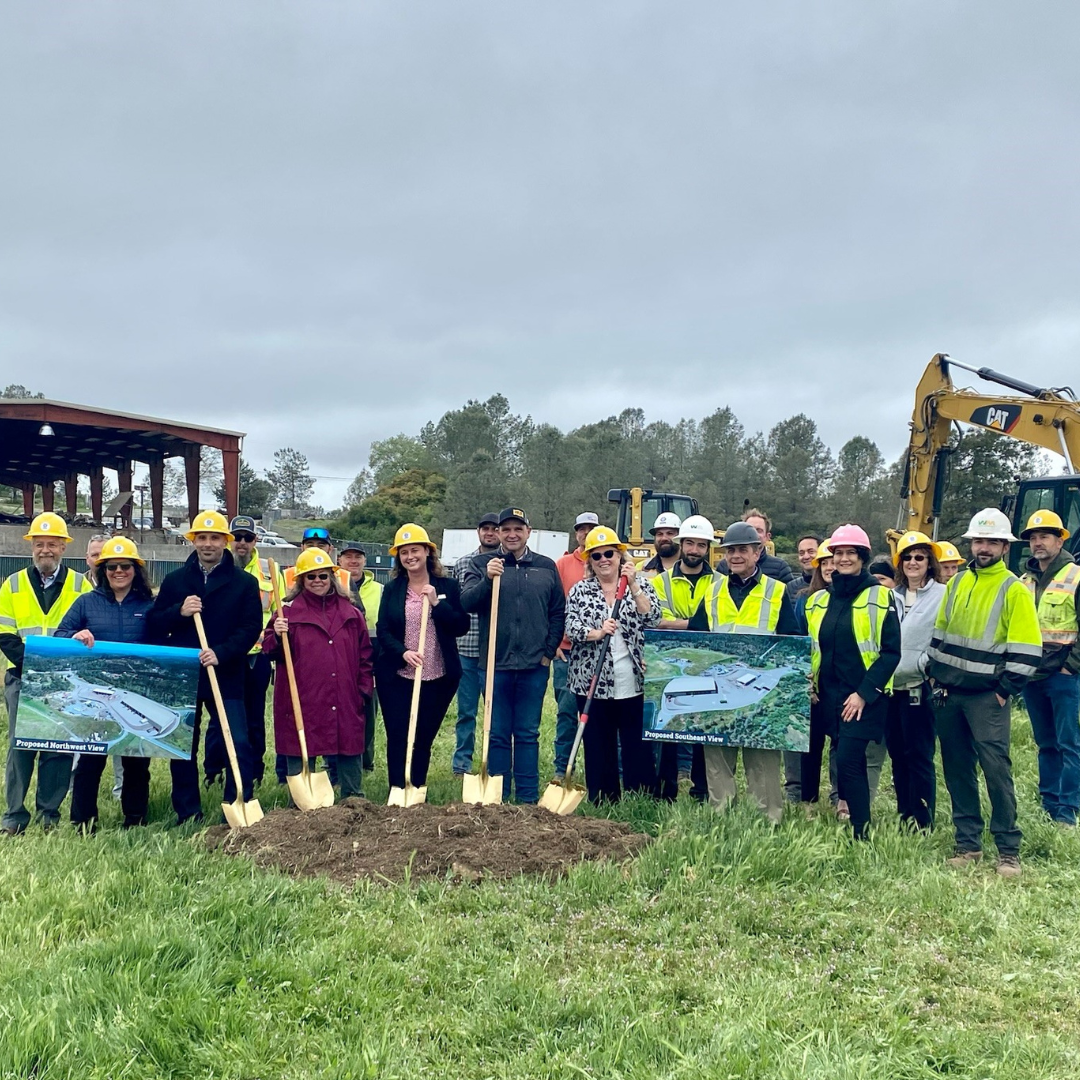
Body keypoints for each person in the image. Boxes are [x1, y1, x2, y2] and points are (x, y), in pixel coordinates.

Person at [927, 509, 1041, 877]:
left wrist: (1005, 691)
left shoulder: (1014, 589)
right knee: (957, 769)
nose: (985, 547)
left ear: (1005, 547)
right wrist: (934, 675)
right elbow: (940, 632)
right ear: (971, 544)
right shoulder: (958, 582)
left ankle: (1008, 850)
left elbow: (1026, 648)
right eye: (979, 541)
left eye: (992, 541)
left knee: (996, 770)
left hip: (987, 697)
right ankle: (968, 844)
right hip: (949, 693)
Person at [146, 511, 263, 826]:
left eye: (214, 538)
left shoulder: (244, 583)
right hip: (185, 673)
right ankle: (187, 811)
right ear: (193, 540)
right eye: (202, 538)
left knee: (237, 739)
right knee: (183, 744)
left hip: (225, 673)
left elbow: (251, 627)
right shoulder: (175, 581)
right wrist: (179, 611)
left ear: (225, 541)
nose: (208, 544)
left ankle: (237, 802)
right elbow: (154, 623)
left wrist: (221, 653)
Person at [688, 521, 800, 823]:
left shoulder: (777, 592)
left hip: (761, 693)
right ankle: (722, 818)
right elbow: (696, 641)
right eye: (730, 551)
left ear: (758, 551)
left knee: (762, 758)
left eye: (742, 550)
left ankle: (768, 821)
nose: (735, 556)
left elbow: (791, 642)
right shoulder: (711, 593)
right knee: (718, 758)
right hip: (719, 690)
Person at [803, 524, 901, 839]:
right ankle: (856, 824)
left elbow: (890, 653)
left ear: (862, 557)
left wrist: (862, 694)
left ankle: (861, 831)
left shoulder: (881, 596)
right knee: (838, 759)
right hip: (827, 695)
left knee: (848, 761)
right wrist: (811, 682)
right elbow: (812, 648)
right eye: (838, 553)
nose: (843, 559)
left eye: (850, 553)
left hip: (862, 697)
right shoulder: (819, 600)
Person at [461, 507, 564, 804]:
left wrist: (547, 653)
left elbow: (557, 611)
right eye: (506, 529)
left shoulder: (546, 567)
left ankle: (529, 798)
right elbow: (466, 602)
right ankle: (499, 795)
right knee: (497, 733)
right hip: (495, 664)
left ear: (528, 532)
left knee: (528, 733)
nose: (512, 534)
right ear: (499, 533)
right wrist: (487, 580)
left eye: (518, 528)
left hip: (534, 665)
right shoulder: (483, 564)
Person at [0, 513, 93, 834]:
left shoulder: (81, 585)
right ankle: (14, 815)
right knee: (20, 747)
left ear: (63, 547)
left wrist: (55, 668)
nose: (45, 550)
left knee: (58, 746)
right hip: (23, 677)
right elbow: (4, 634)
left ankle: (48, 816)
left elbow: (88, 631)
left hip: (65, 680)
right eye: (39, 544)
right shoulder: (12, 585)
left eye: (52, 544)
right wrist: (36, 666)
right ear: (32, 547)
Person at [56, 537, 155, 830]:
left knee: (136, 760)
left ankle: (135, 818)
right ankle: (83, 819)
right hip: (96, 695)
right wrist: (76, 636)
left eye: (125, 565)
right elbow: (61, 634)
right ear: (103, 570)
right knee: (90, 760)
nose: (118, 571)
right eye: (111, 566)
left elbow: (167, 641)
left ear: (136, 569)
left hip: (135, 693)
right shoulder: (87, 602)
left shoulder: (150, 605)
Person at [263, 548, 373, 799]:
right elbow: (269, 650)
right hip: (302, 697)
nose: (317, 581)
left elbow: (366, 655)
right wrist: (278, 635)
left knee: (348, 744)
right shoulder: (287, 613)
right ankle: (301, 804)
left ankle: (354, 802)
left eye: (323, 576)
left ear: (332, 578)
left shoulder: (351, 614)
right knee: (300, 745)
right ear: (301, 580)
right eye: (311, 577)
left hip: (345, 695)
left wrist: (362, 691)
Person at [564, 527, 661, 803]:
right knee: (597, 743)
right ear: (590, 561)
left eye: (610, 554)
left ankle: (640, 795)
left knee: (636, 743)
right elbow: (571, 628)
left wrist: (633, 586)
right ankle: (603, 799)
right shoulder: (580, 590)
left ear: (620, 556)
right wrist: (596, 632)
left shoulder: (639, 584)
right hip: (591, 681)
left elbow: (653, 617)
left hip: (633, 678)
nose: (604, 560)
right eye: (597, 556)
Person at [376, 524, 469, 793]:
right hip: (398, 675)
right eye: (404, 552)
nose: (410, 556)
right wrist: (403, 652)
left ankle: (417, 788)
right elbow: (383, 629)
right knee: (398, 736)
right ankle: (397, 789)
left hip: (438, 676)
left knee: (423, 738)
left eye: (415, 550)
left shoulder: (447, 586)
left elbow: (461, 626)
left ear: (428, 552)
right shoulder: (392, 589)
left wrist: (438, 604)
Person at [211, 515, 285, 790]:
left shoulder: (269, 570)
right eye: (237, 537)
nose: (242, 543)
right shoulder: (218, 567)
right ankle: (214, 769)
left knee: (254, 715)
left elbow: (279, 607)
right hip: (227, 654)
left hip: (257, 654)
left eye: (248, 538)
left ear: (256, 541)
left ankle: (254, 769)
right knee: (220, 716)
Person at [651, 514, 721, 800]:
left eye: (701, 545)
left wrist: (680, 622)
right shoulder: (661, 582)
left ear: (708, 549)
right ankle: (666, 789)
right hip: (670, 661)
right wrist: (696, 622)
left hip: (709, 663)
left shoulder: (721, 582)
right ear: (681, 544)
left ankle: (701, 789)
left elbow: (716, 623)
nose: (694, 550)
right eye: (689, 543)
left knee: (704, 727)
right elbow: (658, 621)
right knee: (669, 726)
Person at [1018, 511, 1080, 827]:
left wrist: (1071, 666)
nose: (1037, 542)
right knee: (1046, 744)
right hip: (1033, 676)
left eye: (1044, 536)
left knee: (1070, 744)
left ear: (1060, 539)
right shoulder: (1024, 581)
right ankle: (1050, 805)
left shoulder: (1075, 576)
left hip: (1064, 676)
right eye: (1032, 537)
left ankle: (1068, 811)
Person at [887, 531, 946, 831]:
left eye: (919, 557)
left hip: (919, 687)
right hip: (890, 689)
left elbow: (943, 636)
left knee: (919, 756)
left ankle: (923, 819)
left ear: (929, 562)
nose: (913, 562)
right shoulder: (891, 596)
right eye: (907, 557)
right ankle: (904, 813)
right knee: (898, 755)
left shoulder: (942, 595)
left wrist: (925, 664)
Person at [450, 514, 500, 776]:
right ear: (478, 532)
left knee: (496, 714)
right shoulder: (463, 564)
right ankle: (462, 763)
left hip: (495, 650)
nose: (490, 533)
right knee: (466, 712)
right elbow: (459, 603)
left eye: (494, 529)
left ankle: (494, 761)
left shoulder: (508, 563)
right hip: (467, 648)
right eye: (485, 529)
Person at [552, 512, 598, 780]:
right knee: (567, 713)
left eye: (592, 528)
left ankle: (600, 768)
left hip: (596, 651)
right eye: (582, 529)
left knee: (596, 715)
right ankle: (562, 769)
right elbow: (555, 606)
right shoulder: (563, 564)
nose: (586, 533)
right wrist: (556, 641)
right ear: (576, 533)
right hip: (567, 652)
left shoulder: (604, 562)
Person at [338, 541, 383, 772]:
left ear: (364, 561)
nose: (353, 561)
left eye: (358, 557)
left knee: (368, 712)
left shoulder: (379, 589)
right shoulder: (333, 585)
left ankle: (366, 761)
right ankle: (335, 761)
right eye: (348, 557)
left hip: (370, 655)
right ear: (340, 561)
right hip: (341, 655)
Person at [718, 508, 796, 585]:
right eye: (750, 529)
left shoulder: (780, 568)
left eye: (759, 530)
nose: (753, 534)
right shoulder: (724, 566)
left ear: (767, 536)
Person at [283, 528, 350, 591]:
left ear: (330, 549)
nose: (315, 550)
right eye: (310, 546)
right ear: (302, 548)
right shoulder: (285, 576)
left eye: (321, 546)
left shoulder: (346, 577)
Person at [641, 512, 682, 578]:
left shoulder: (691, 568)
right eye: (660, 534)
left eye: (670, 533)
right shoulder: (641, 568)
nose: (664, 538)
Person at [786, 535, 821, 602]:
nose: (806, 556)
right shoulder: (791, 587)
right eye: (801, 553)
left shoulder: (831, 584)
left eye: (811, 552)